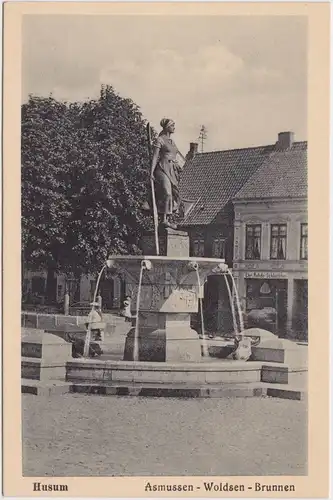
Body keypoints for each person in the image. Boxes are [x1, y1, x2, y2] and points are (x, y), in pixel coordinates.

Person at [147, 118, 186, 229]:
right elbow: (155, 157)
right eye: (172, 125)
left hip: (172, 170)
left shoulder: (172, 142)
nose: (174, 127)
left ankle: (169, 219)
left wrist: (180, 165)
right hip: (162, 168)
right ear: (166, 127)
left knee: (174, 195)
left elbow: (177, 156)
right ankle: (164, 219)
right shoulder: (160, 140)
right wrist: (151, 172)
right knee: (167, 193)